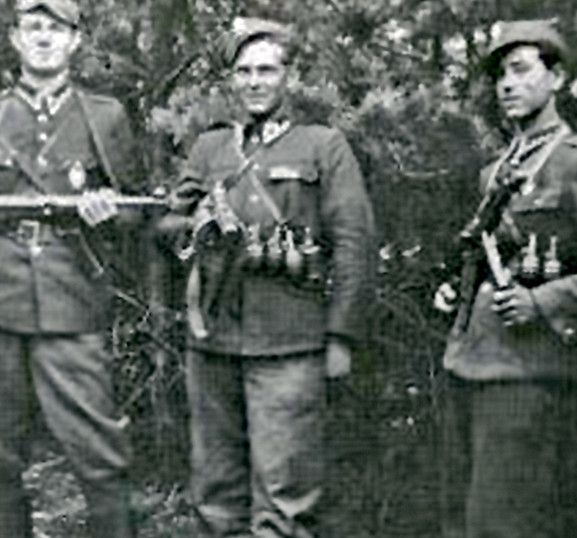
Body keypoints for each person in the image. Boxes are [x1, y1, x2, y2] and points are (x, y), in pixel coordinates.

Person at [166, 15, 376, 537]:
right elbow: (168, 224)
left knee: (285, 496)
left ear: (288, 76)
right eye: (244, 71)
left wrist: (341, 337)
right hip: (214, 340)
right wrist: (194, 225)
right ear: (231, 79)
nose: (254, 82)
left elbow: (355, 244)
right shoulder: (211, 149)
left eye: (267, 70)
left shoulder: (323, 145)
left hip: (290, 342)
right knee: (215, 492)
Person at [434, 19, 577, 538]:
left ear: (557, 78)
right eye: (501, 75)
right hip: (471, 364)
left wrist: (544, 301)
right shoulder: (495, 173)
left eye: (522, 70)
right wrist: (457, 290)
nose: (508, 84)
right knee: (461, 520)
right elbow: (492, 257)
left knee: (505, 525)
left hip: (534, 375)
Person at [0, 0, 142, 536]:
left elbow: (138, 213)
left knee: (100, 452)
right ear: (15, 38)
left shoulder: (105, 116)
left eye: (56, 28)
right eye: (33, 27)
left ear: (75, 40)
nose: (44, 38)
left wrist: (107, 213)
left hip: (71, 295)